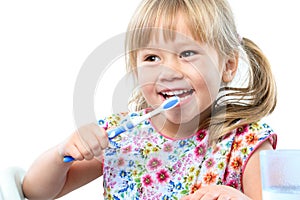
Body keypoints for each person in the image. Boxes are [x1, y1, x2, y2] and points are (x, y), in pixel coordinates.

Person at [22, 0, 277, 199]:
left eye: (187, 53)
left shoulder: (247, 143)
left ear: (228, 65)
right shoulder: (120, 137)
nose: (168, 72)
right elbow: (36, 192)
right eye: (152, 58)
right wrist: (60, 154)